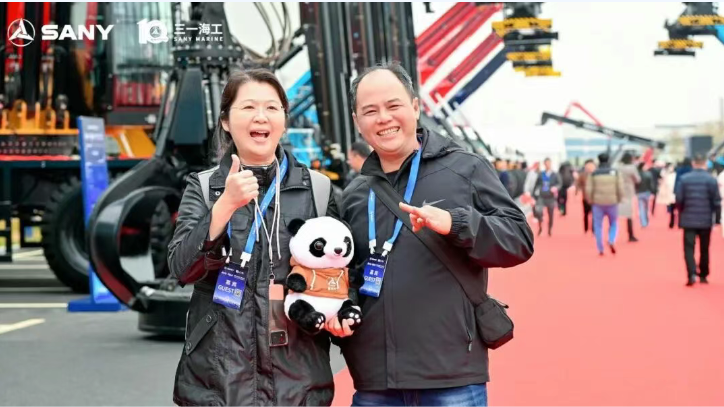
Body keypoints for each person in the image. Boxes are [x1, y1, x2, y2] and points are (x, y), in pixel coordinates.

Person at [331, 62, 535, 407]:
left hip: (452, 378)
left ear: (415, 106)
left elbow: (518, 240)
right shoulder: (354, 194)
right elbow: (345, 271)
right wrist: (341, 304)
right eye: (370, 111)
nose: (383, 118)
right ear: (357, 120)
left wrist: (458, 224)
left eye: (393, 105)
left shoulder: (465, 168)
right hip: (375, 382)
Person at [166, 69, 342, 406]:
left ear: (284, 121)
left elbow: (340, 273)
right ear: (226, 121)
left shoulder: (318, 190)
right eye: (248, 107)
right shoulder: (203, 187)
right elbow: (181, 268)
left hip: (299, 381)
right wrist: (224, 207)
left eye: (272, 108)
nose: (261, 116)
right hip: (220, 381)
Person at [675, 154, 721, 286]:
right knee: (704, 248)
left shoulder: (684, 179)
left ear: (693, 164)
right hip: (705, 218)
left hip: (688, 218)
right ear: (705, 163)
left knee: (689, 247)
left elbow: (679, 199)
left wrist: (682, 210)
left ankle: (691, 273)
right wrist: (717, 218)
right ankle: (704, 274)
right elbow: (716, 201)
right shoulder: (711, 180)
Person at [585, 152, 624, 255]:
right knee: (613, 223)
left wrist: (590, 199)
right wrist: (619, 198)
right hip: (612, 201)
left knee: (598, 225)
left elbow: (588, 189)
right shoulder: (615, 172)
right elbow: (620, 187)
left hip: (597, 202)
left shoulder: (594, 173)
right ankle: (611, 239)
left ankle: (600, 248)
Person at [532, 157, 561, 236]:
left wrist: (556, 188)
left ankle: (549, 229)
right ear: (544, 164)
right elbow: (536, 184)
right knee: (539, 211)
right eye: (546, 163)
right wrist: (534, 195)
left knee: (550, 214)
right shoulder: (541, 174)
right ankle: (540, 226)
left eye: (549, 163)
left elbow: (559, 184)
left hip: (550, 197)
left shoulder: (555, 174)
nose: (548, 165)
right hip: (542, 196)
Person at [617, 152, 641, 242]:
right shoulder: (632, 168)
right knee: (629, 214)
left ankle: (612, 233)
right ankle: (630, 234)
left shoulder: (618, 167)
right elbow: (638, 179)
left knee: (615, 213)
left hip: (619, 190)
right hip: (629, 191)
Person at [575, 159, 597, 234]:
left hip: (595, 198)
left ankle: (594, 229)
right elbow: (578, 184)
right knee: (586, 213)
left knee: (594, 214)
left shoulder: (596, 175)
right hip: (585, 197)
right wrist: (577, 192)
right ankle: (586, 228)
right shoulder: (583, 175)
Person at [635, 162, 654, 228]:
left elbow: (636, 184)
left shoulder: (638, 174)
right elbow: (651, 184)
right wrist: (652, 192)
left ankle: (643, 222)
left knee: (641, 208)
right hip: (646, 192)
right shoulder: (648, 174)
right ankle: (645, 221)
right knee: (646, 207)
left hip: (639, 193)